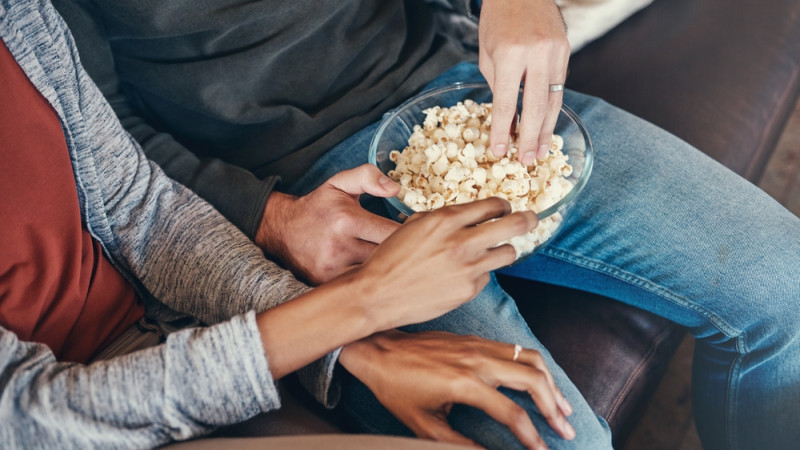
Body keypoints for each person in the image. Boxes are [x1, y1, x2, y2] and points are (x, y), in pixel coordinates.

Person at [50, 0, 800, 449]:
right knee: (558, 435)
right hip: (299, 189)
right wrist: (271, 220)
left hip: (452, 91)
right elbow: (96, 138)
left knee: (785, 287)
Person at [0, 1, 585, 448]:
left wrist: (358, 349)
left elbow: (140, 207)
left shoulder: (21, 17)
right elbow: (31, 416)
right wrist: (360, 307)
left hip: (186, 321)